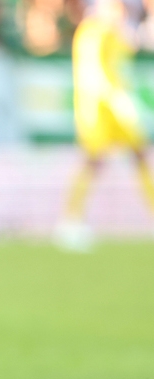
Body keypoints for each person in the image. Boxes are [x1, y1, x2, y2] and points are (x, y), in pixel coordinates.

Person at [59, 0, 154, 252]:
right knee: (93, 162)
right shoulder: (92, 32)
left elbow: (130, 51)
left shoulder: (115, 31)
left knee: (140, 156)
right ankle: (71, 220)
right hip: (98, 109)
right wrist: (117, 100)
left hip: (118, 107)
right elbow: (95, 75)